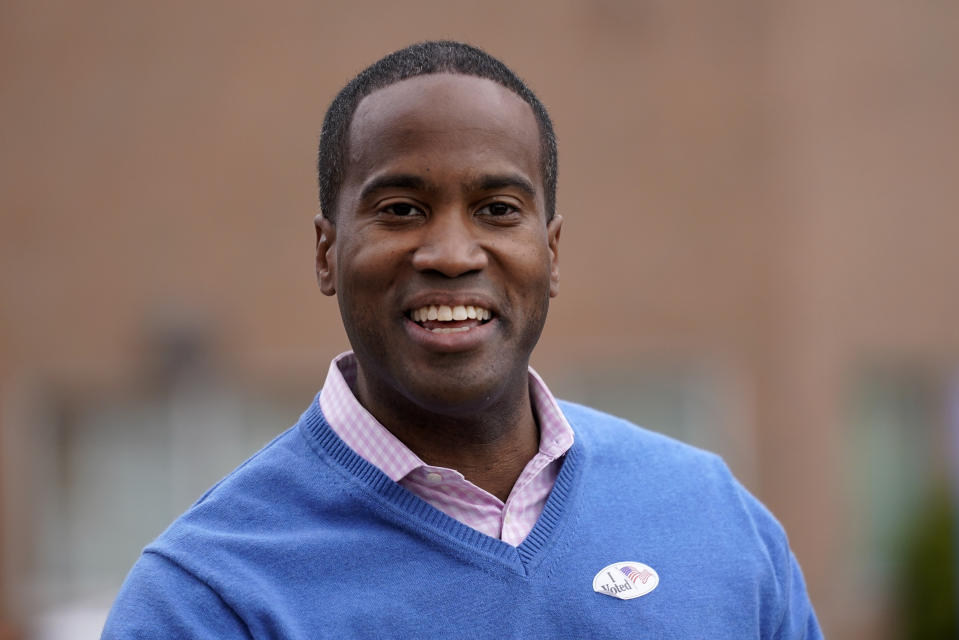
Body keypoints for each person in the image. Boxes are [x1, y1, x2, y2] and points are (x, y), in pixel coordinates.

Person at [102, 41, 822, 639]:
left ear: (552, 251)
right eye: (401, 208)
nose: (451, 252)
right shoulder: (207, 597)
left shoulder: (710, 516)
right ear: (326, 253)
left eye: (497, 209)